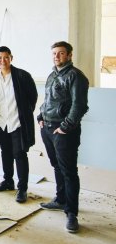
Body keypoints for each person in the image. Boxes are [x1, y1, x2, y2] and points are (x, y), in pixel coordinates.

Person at [37, 41, 89, 233]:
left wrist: (65, 127)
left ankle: (72, 213)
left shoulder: (75, 76)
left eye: (60, 53)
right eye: (54, 53)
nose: (56, 56)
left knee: (68, 171)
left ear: (69, 55)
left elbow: (79, 106)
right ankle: (60, 200)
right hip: (48, 129)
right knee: (57, 166)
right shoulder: (52, 75)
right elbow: (48, 100)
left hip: (64, 131)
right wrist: (41, 116)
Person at [0, 46, 38, 203]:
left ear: (11, 58)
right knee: (5, 152)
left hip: (17, 122)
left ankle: (22, 188)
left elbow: (33, 97)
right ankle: (8, 181)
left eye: (6, 57)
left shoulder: (22, 75)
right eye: (0, 58)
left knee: (20, 154)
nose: (3, 60)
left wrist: (24, 113)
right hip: (1, 122)